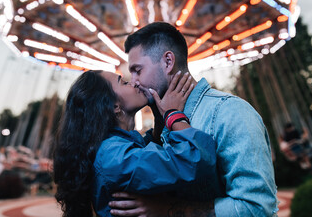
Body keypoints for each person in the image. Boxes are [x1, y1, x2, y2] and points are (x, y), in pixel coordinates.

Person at [109, 22, 278, 216]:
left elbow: (256, 208)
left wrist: (169, 210)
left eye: (137, 70)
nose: (134, 81)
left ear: (168, 62)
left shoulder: (230, 112)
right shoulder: (161, 123)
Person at [53, 70, 220, 217]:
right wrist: (173, 114)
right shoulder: (114, 156)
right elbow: (195, 159)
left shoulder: (116, 147)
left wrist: (159, 117)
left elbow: (151, 154)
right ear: (114, 106)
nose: (134, 82)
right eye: (124, 82)